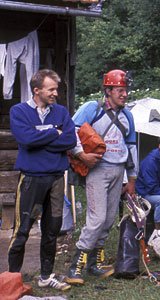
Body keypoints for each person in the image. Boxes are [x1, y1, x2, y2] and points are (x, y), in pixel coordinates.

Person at [66, 69, 138, 285]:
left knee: (107, 219)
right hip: (97, 169)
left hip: (119, 170)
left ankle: (94, 264)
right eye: (119, 90)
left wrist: (132, 178)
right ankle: (75, 265)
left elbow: (132, 146)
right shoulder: (92, 108)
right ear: (108, 90)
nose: (124, 94)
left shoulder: (128, 115)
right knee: (96, 219)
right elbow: (72, 130)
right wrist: (81, 155)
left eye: (126, 90)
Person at [8, 69, 76, 291]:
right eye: (51, 89)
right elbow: (25, 139)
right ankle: (12, 280)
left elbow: (68, 140)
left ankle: (46, 276)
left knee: (52, 229)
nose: (55, 93)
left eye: (56, 89)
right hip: (31, 180)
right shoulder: (18, 111)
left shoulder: (62, 112)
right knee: (22, 230)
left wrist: (43, 138)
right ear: (36, 90)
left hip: (56, 178)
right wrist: (52, 133)